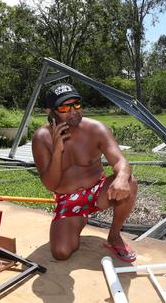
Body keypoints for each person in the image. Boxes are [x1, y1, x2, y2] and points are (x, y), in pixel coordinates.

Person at [31, 83, 138, 262]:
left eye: (76, 105)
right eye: (65, 107)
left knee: (130, 181)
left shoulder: (96, 129)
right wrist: (57, 151)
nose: (73, 111)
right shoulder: (41, 138)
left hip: (99, 192)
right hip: (68, 199)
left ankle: (114, 236)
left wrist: (121, 177)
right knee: (61, 252)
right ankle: (78, 219)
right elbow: (51, 185)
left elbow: (121, 161)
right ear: (50, 111)